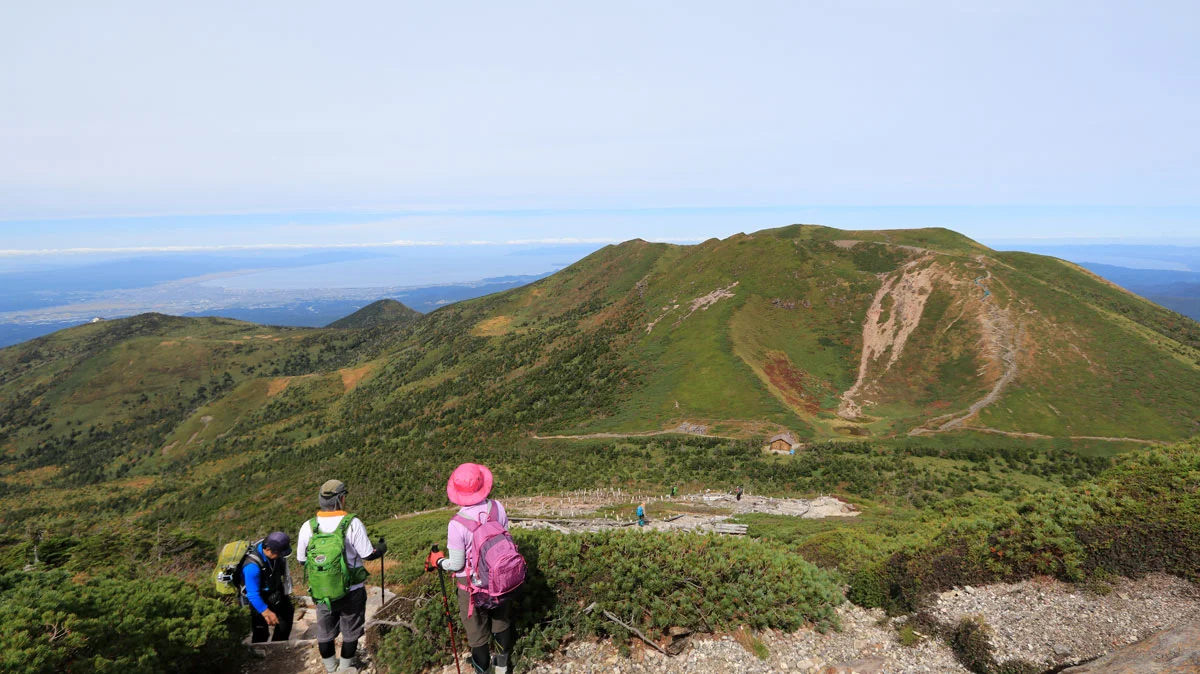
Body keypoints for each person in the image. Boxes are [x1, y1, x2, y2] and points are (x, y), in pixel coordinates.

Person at [426, 463, 517, 674]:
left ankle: (483, 671)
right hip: (500, 577)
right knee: (501, 623)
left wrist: (439, 562)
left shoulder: (457, 523)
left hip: (471, 585)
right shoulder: (497, 507)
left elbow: (456, 564)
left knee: (477, 635)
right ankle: (502, 668)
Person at [297, 479, 387, 674]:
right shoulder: (352, 523)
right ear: (341, 499)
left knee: (325, 634)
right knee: (350, 633)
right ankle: (345, 669)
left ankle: (331, 669)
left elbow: (302, 560)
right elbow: (367, 554)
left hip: (322, 592)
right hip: (351, 590)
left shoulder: (309, 526)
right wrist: (381, 549)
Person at [243, 531, 295, 643]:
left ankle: (279, 644)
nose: (281, 556)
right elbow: (252, 594)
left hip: (276, 590)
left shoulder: (271, 552)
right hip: (260, 596)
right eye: (280, 554)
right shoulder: (252, 567)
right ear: (268, 550)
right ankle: (259, 651)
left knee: (286, 615)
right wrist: (265, 611)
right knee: (261, 631)